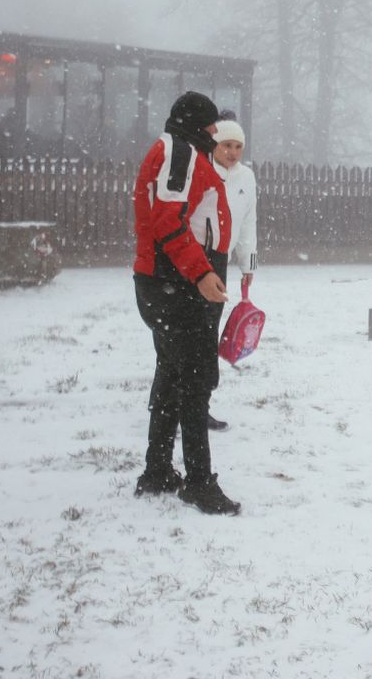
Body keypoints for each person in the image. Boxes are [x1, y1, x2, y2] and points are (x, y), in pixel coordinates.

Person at [131, 91, 241, 515]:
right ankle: (198, 482)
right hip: (176, 281)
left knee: (172, 374)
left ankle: (158, 470)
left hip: (166, 279)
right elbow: (167, 221)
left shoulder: (178, 150)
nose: (215, 132)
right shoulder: (179, 152)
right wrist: (201, 274)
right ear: (195, 123)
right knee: (194, 382)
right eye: (210, 125)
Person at [206, 113, 258, 432]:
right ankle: (174, 402)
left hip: (221, 262)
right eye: (226, 145)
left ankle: (200, 402)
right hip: (198, 260)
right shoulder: (201, 171)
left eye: (238, 146)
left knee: (209, 331)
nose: (233, 152)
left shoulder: (246, 178)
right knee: (192, 335)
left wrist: (248, 264)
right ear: (214, 144)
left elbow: (249, 222)